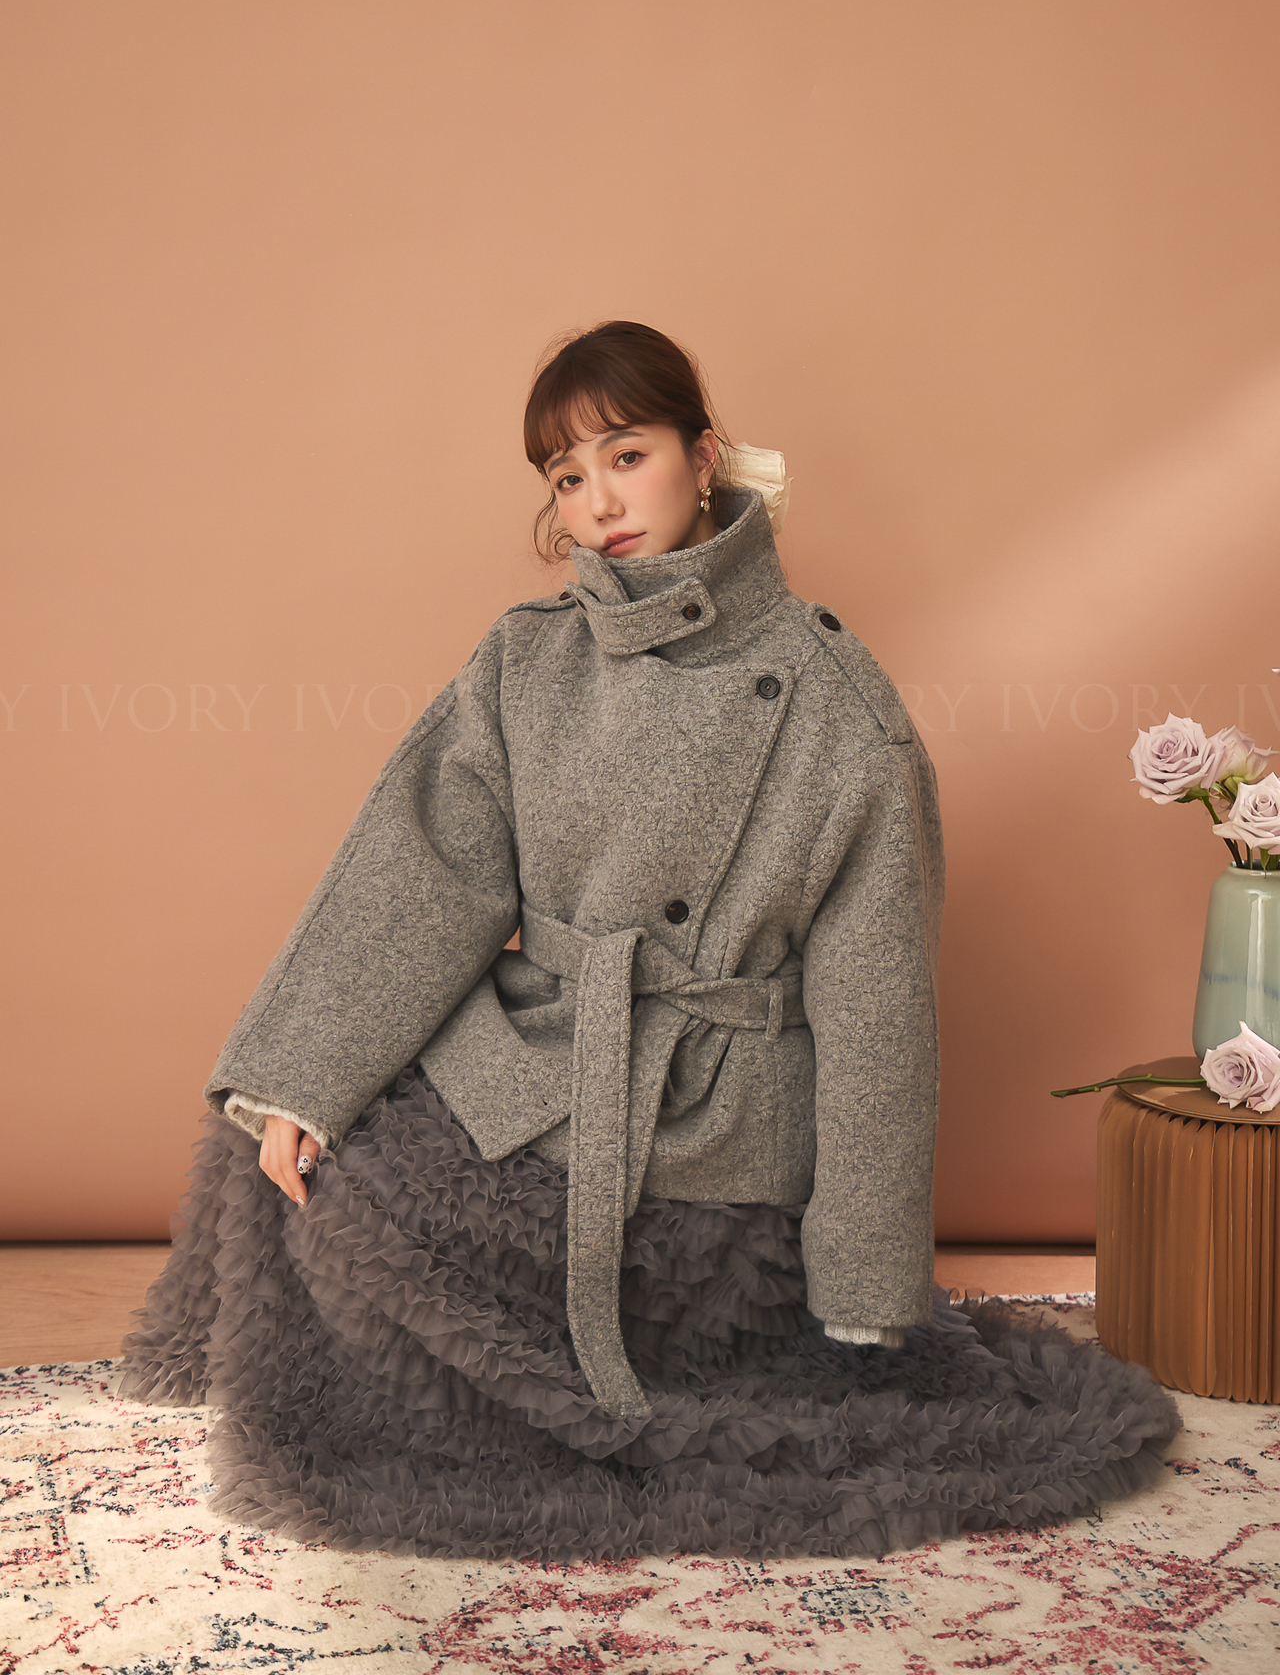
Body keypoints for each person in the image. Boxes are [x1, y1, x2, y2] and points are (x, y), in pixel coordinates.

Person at [119, 320, 1181, 1560]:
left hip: (703, 1140)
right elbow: (420, 869)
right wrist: (307, 1075)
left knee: (369, 1222)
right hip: (541, 1057)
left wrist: (861, 1289)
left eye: (625, 456)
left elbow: (876, 1019)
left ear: (702, 454)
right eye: (566, 476)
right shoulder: (527, 659)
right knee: (285, 1134)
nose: (598, 502)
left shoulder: (838, 709)